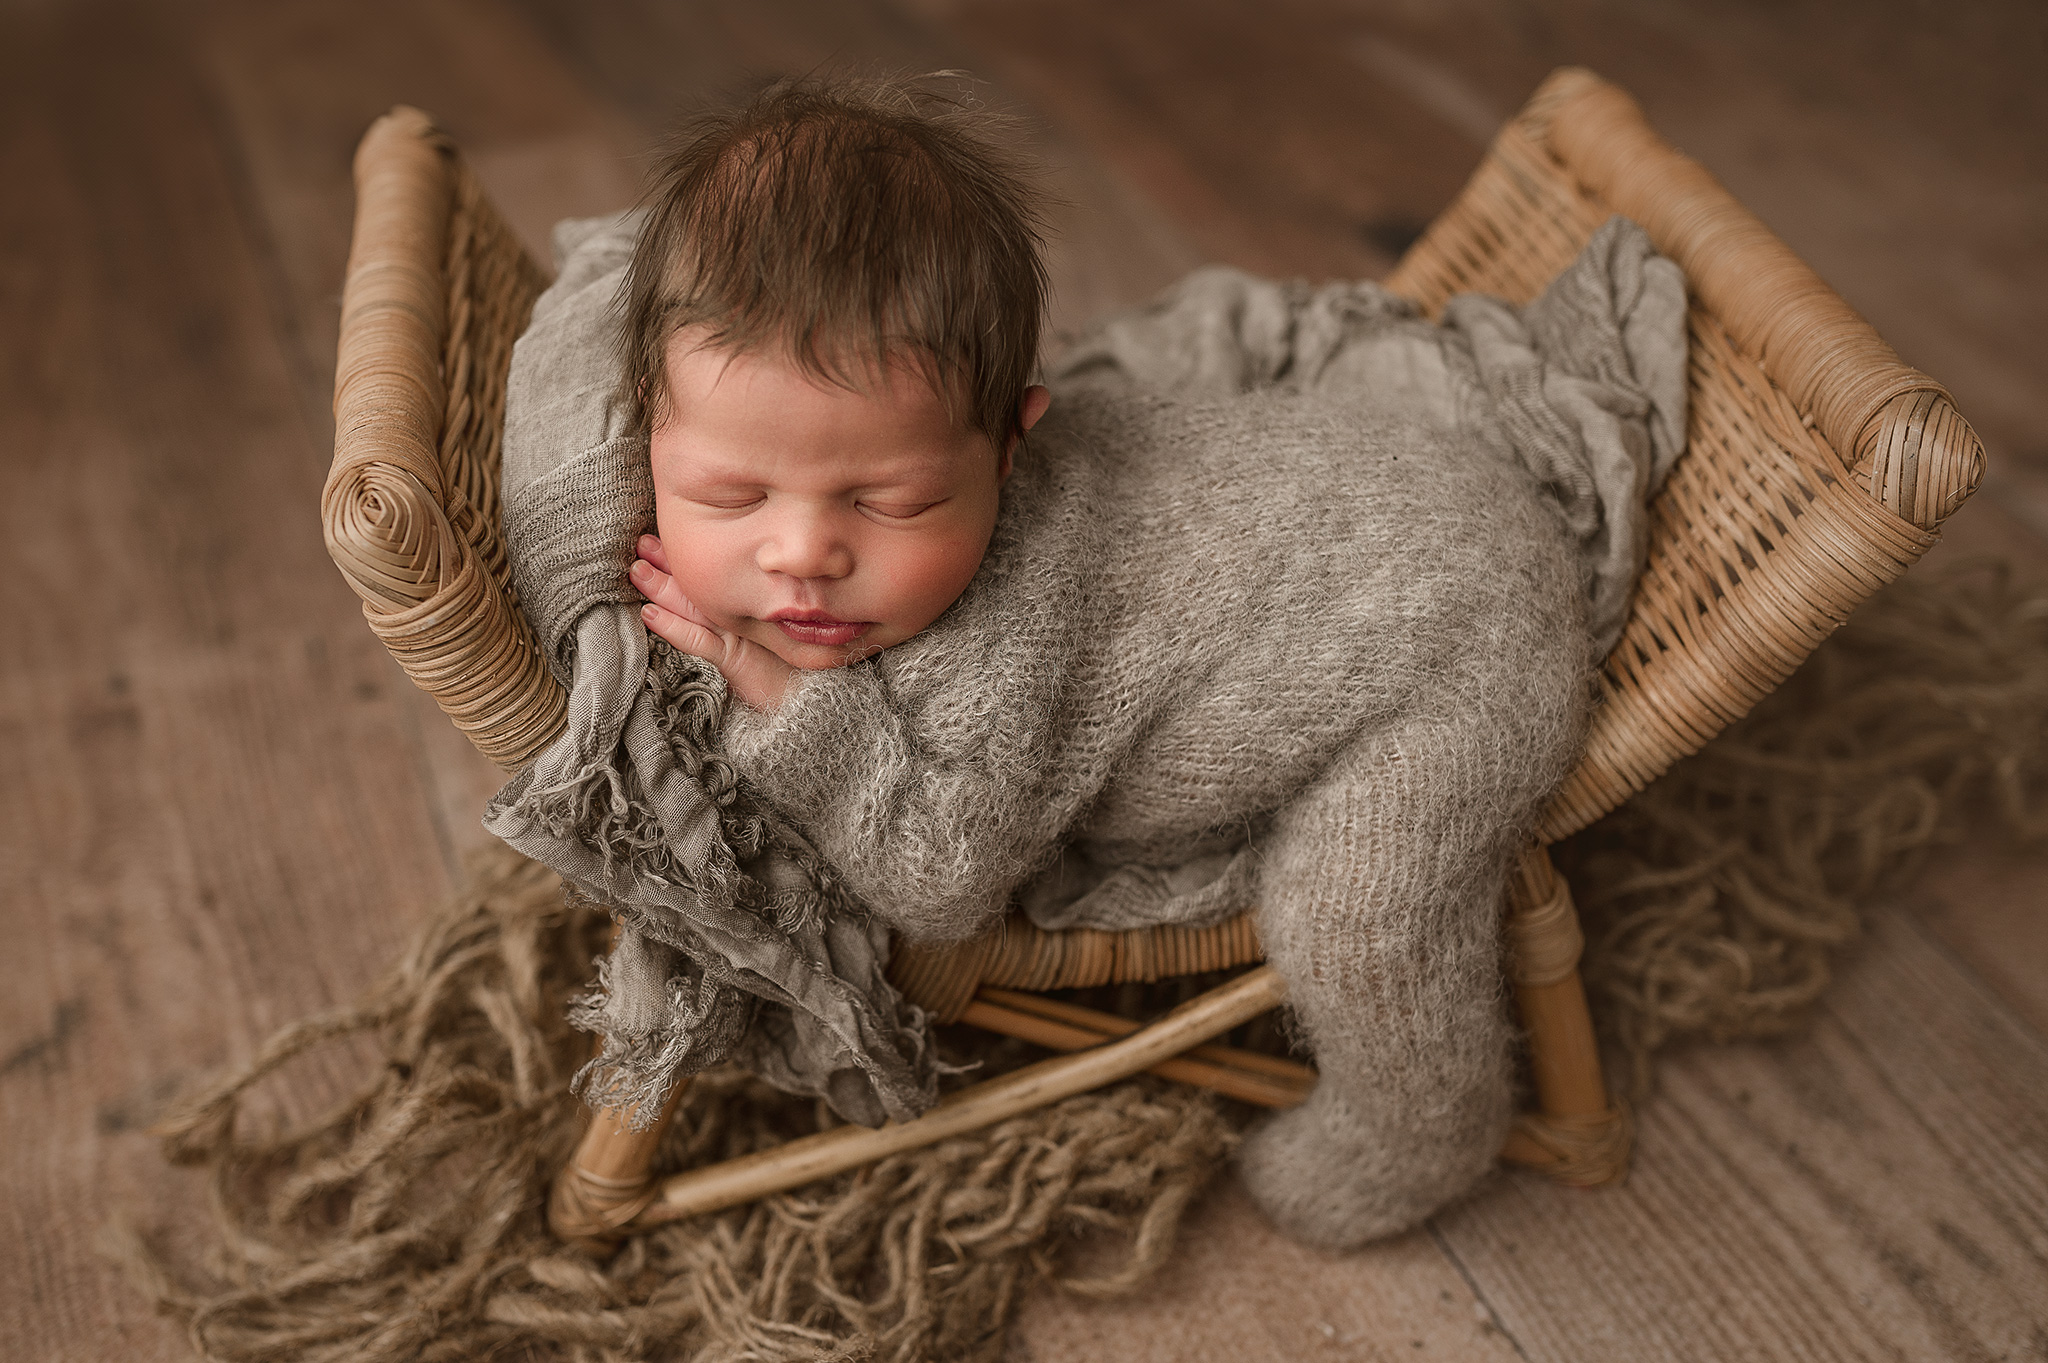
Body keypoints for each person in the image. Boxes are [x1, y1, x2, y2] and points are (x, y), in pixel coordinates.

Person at [494, 71, 1686, 1248]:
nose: (803, 554)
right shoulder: (775, 466)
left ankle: (1425, 1126)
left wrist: (780, 698)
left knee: (1359, 915)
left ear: (1010, 446)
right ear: (647, 420)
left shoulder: (1005, 635)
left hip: (1455, 637)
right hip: (1376, 512)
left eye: (890, 502)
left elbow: (940, 882)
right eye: (731, 494)